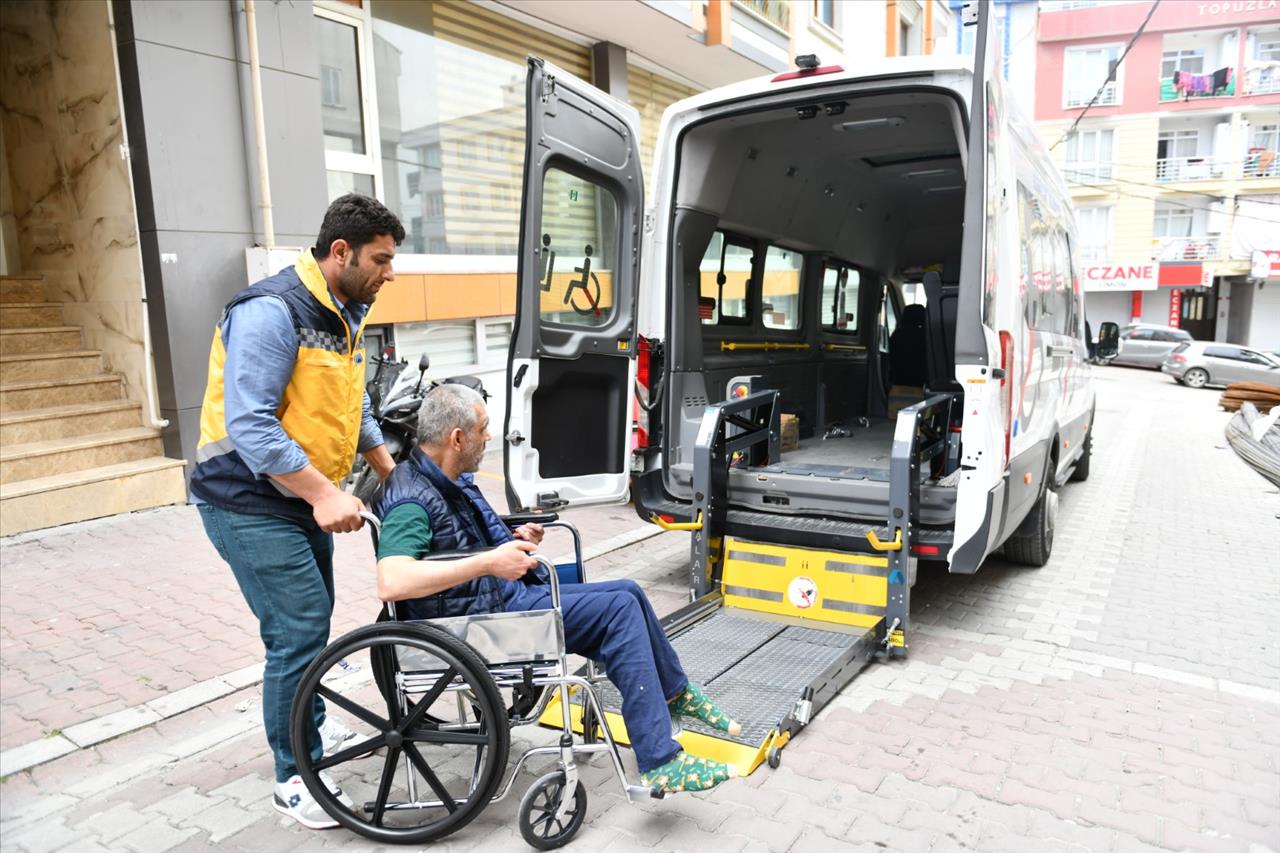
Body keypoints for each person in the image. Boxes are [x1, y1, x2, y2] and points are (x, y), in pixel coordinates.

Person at [373, 384, 741, 794]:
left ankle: (675, 694)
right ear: (457, 438)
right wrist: (492, 561)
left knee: (629, 593)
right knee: (618, 611)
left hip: (497, 600)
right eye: (483, 428)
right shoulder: (412, 499)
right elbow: (393, 581)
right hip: (479, 624)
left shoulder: (447, 477)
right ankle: (659, 757)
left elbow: (459, 538)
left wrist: (512, 535)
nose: (489, 436)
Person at [190, 194, 404, 829]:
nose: (390, 273)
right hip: (246, 498)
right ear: (341, 252)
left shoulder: (348, 311)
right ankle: (292, 777)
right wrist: (324, 494)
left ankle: (306, 729)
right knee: (298, 630)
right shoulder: (271, 311)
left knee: (306, 625)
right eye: (381, 259)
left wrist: (392, 479)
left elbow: (355, 405)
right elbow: (251, 426)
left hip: (297, 497)